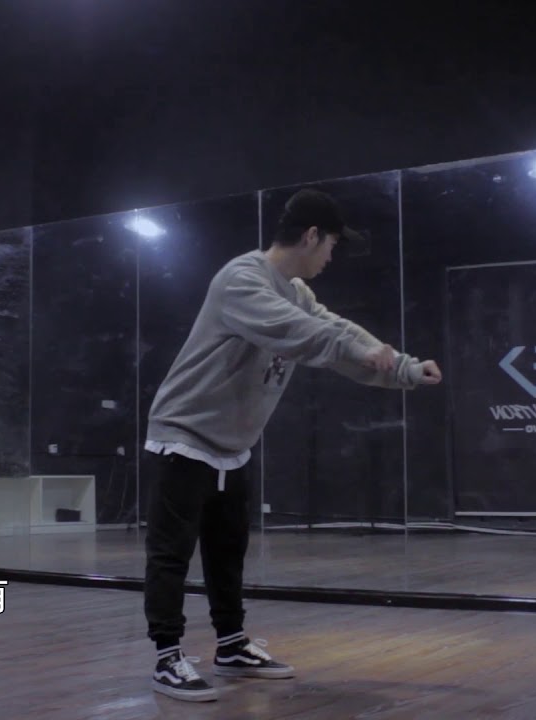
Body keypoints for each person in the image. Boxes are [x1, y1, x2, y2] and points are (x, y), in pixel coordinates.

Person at [141, 188, 443, 702]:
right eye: (331, 246)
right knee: (172, 555)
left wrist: (405, 369)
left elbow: (332, 329)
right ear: (311, 236)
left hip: (232, 443)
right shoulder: (242, 279)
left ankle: (231, 645)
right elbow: (301, 333)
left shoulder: (296, 291)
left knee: (227, 551)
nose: (331, 257)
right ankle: (167, 656)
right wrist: (361, 350)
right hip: (184, 436)